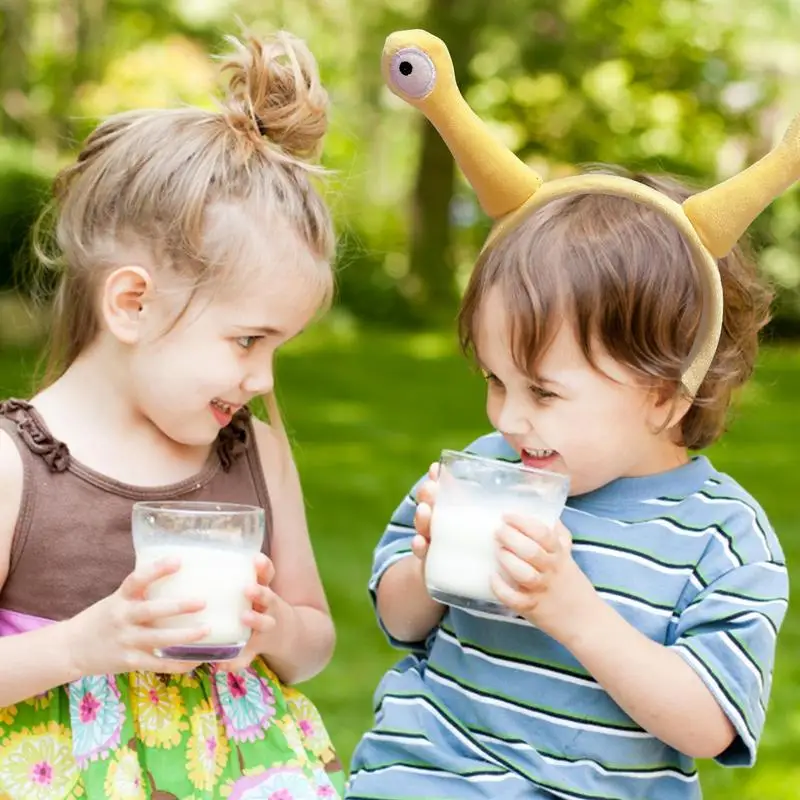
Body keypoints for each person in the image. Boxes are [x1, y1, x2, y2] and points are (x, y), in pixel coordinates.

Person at [346, 29, 795, 799]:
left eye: (544, 392)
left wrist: (573, 612)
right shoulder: (490, 469)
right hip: (421, 780)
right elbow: (400, 619)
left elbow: (711, 724)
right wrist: (427, 563)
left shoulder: (723, 536)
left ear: (667, 391)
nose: (510, 418)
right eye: (495, 379)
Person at [0, 28, 344, 799]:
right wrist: (85, 647)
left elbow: (314, 637)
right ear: (132, 303)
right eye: (247, 339)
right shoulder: (13, 464)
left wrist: (273, 631)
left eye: (277, 347)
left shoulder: (251, 450)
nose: (262, 378)